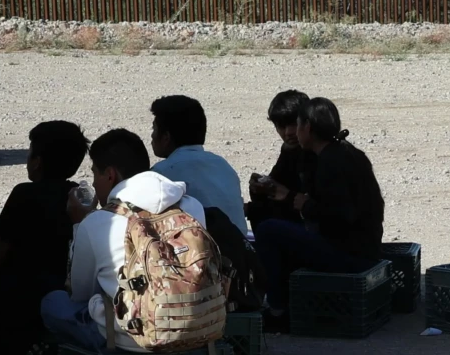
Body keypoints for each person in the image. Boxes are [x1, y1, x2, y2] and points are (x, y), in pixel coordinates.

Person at [42, 129, 216, 353]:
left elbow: (80, 293)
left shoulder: (97, 222)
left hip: (131, 340)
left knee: (52, 302)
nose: (94, 184)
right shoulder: (192, 206)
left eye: (95, 174)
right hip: (197, 329)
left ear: (110, 175)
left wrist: (79, 224)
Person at [0, 119, 90, 355]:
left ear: (37, 161)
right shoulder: (76, 195)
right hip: (59, 286)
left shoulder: (25, 193)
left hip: (19, 291)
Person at [251, 96, 384, 322]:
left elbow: (342, 217)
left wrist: (303, 203)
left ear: (307, 127)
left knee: (267, 231)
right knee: (265, 217)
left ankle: (278, 311)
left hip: (352, 255)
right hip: (361, 248)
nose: (290, 132)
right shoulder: (343, 152)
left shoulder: (329, 161)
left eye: (296, 124)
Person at [149, 94, 249, 239]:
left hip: (202, 257)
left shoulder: (161, 175)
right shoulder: (223, 165)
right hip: (241, 255)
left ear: (166, 137)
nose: (152, 136)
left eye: (154, 129)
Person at [245, 88, 314, 228]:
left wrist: (288, 195)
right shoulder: (290, 149)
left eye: (294, 124)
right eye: (281, 126)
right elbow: (277, 186)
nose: (288, 132)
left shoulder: (319, 152)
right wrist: (260, 187)